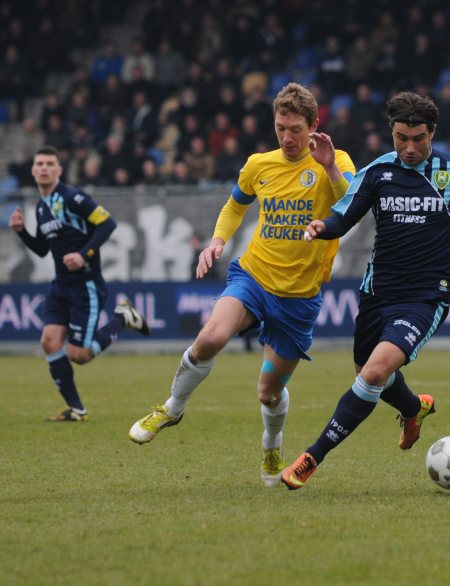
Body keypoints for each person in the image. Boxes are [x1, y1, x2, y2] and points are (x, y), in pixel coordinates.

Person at [280, 91, 450, 490]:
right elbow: (345, 217)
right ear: (391, 133)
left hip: (426, 296)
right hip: (377, 293)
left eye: (418, 139)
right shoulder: (377, 172)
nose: (409, 148)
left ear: (432, 133)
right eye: (401, 138)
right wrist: (323, 226)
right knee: (370, 374)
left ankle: (311, 457)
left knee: (373, 372)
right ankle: (414, 408)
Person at [127, 83, 356, 488]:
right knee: (211, 337)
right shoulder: (259, 164)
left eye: (295, 129)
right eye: (280, 128)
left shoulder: (335, 161)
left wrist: (330, 169)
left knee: (268, 393)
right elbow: (236, 204)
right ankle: (172, 408)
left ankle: (272, 442)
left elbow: (351, 206)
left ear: (314, 126)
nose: (287, 138)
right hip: (253, 275)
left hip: (299, 298)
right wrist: (217, 241)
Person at [8, 146, 150, 421]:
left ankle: (122, 318)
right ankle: (77, 409)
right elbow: (41, 249)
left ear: (59, 170)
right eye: (40, 164)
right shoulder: (41, 207)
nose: (45, 168)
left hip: (85, 286)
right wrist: (21, 231)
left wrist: (84, 253)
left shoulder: (72, 197)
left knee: (79, 355)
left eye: (50, 163)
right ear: (34, 170)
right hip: (60, 285)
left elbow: (108, 223)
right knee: (50, 342)